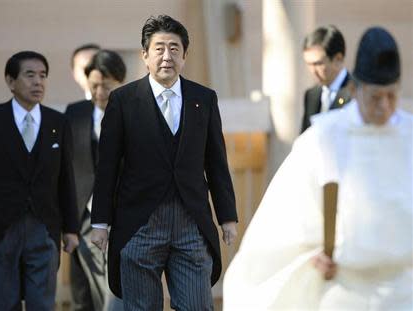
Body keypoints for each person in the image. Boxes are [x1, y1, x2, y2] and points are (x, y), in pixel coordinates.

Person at [223, 27, 412, 310]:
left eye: (392, 96)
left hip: (403, 287)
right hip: (344, 285)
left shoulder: (409, 134)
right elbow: (289, 210)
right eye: (375, 97)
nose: (384, 107)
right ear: (356, 89)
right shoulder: (324, 136)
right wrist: (313, 251)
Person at [90, 15, 238, 311]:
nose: (167, 56)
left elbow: (216, 162)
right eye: (159, 49)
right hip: (138, 224)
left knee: (197, 306)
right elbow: (107, 167)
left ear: (185, 55)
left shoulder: (204, 99)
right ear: (145, 55)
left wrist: (227, 217)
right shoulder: (123, 100)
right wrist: (100, 223)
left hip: (191, 224)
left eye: (174, 48)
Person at [0, 51, 80, 310]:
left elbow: (65, 178)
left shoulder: (57, 122)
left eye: (43, 76)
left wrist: (70, 229)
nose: (38, 82)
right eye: (30, 75)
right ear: (10, 81)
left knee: (42, 302)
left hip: (44, 227)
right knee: (2, 301)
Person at [66, 49, 126, 311]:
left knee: (116, 285)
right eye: (95, 86)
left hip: (122, 213)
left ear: (121, 82)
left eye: (107, 86)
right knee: (90, 288)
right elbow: (66, 167)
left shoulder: (135, 112)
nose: (100, 92)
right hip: (85, 216)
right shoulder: (75, 112)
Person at [301, 25, 352, 133]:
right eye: (308, 64)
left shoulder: (356, 93)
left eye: (318, 63)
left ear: (338, 59)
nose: (312, 71)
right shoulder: (311, 95)